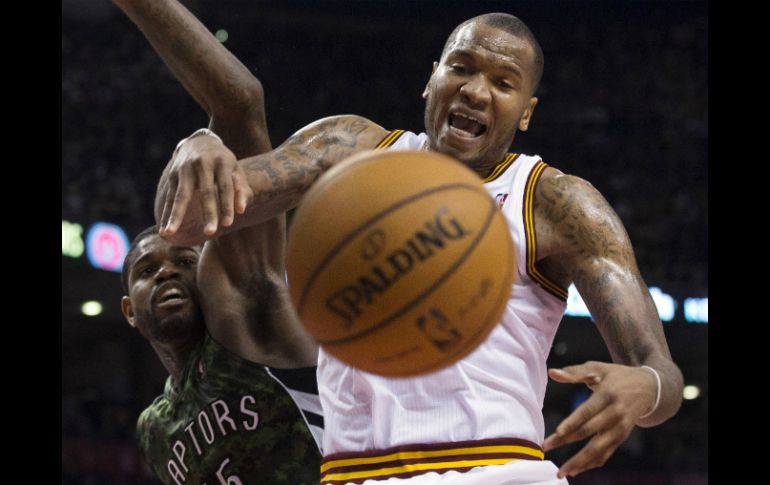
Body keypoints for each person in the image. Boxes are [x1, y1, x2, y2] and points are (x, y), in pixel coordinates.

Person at [156, 12, 684, 484]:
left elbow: (660, 372)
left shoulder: (554, 202)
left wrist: (646, 386)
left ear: (526, 112)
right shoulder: (349, 150)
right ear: (431, 79)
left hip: (498, 470)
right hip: (351, 472)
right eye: (461, 68)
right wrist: (199, 146)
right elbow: (187, 220)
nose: (476, 91)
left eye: (503, 83)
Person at [113, 0, 322, 483]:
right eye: (147, 271)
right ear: (129, 310)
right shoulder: (154, 429)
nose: (166, 271)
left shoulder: (249, 322)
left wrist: (203, 139)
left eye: (185, 263)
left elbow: (240, 101)